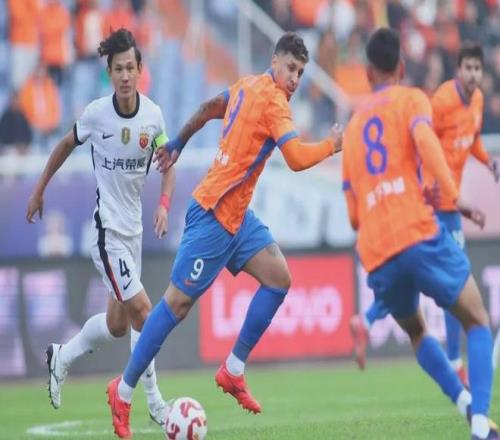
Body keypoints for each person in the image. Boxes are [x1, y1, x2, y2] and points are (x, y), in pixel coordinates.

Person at [106, 31, 343, 439]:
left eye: (301, 73)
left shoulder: (246, 85)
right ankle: (123, 391)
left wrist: (178, 142)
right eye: (290, 68)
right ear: (275, 62)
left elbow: (208, 108)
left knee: (278, 278)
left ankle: (233, 369)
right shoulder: (274, 103)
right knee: (175, 305)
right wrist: (332, 145)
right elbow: (296, 158)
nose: (294, 79)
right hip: (213, 215)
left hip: (237, 218)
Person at [342, 28, 497, 440]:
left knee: (416, 331)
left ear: (367, 72)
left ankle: (464, 404)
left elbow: (353, 216)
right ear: (401, 67)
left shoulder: (353, 128)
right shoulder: (413, 99)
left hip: (377, 251)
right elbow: (427, 142)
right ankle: (480, 423)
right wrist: (455, 197)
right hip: (419, 230)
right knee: (477, 320)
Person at [26, 28, 175, 427]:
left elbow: (168, 161)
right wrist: (39, 190)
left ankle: (62, 355)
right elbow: (64, 145)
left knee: (117, 324)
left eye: (130, 68)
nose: (125, 76)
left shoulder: (153, 116)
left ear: (140, 70)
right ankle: (154, 402)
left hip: (134, 230)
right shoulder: (95, 114)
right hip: (107, 232)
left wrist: (164, 204)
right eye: (118, 69)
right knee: (144, 312)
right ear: (109, 73)